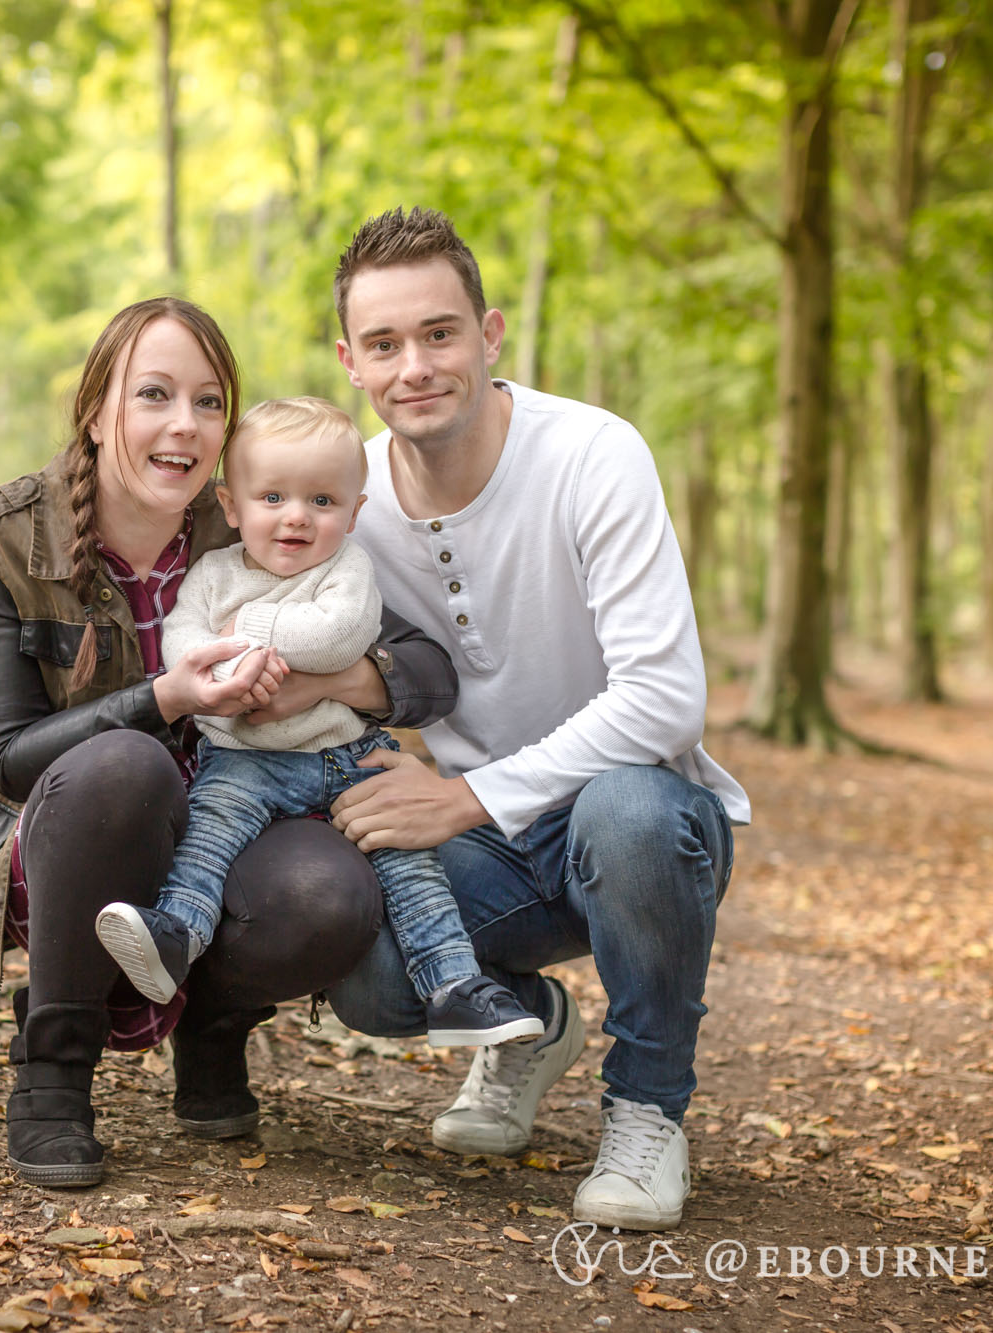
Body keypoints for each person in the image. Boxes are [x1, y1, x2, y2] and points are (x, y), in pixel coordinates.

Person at [0, 297, 461, 1189]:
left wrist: (327, 682)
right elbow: (7, 758)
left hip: (234, 816)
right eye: (154, 395)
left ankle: (213, 1024)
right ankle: (54, 1070)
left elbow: (426, 670)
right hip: (77, 839)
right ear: (97, 412)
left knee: (328, 891)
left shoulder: (254, 522)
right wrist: (167, 696)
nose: (184, 425)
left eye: (209, 402)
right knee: (126, 764)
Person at [317, 208, 751, 1231]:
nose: (413, 365)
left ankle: (647, 1108)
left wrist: (462, 796)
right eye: (383, 344)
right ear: (349, 361)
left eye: (438, 333)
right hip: (498, 849)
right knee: (366, 969)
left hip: (643, 823)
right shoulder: (351, 496)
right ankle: (526, 1027)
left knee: (628, 813)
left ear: (489, 333)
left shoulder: (592, 453)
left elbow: (662, 697)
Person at [92, 396, 543, 1049]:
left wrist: (246, 632)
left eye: (322, 501)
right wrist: (226, 678)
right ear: (230, 505)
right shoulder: (213, 574)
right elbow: (185, 646)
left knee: (409, 861)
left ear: (354, 512)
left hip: (346, 751)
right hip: (245, 757)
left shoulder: (347, 571)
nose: (296, 517)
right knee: (209, 833)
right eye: (272, 497)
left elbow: (337, 637)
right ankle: (174, 935)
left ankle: (454, 987)